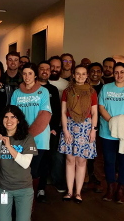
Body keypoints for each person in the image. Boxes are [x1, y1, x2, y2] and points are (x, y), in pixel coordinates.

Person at [98, 62, 124, 204]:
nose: (119, 75)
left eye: (122, 72)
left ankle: (121, 189)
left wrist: (119, 124)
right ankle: (111, 188)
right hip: (107, 131)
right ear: (113, 73)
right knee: (109, 161)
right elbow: (101, 107)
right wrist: (112, 122)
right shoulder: (105, 88)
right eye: (116, 72)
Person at [11, 63, 52, 208]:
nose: (27, 76)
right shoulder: (17, 93)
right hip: (20, 137)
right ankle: (20, 200)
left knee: (33, 170)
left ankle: (30, 201)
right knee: (21, 169)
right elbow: (12, 115)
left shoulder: (43, 92)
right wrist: (19, 135)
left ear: (35, 75)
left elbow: (44, 115)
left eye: (30, 73)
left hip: (39, 138)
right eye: (24, 73)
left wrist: (28, 135)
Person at [59, 65, 98, 204]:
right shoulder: (67, 91)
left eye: (83, 74)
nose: (80, 76)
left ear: (87, 76)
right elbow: (63, 112)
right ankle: (69, 191)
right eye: (78, 74)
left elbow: (94, 113)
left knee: (81, 162)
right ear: (73, 75)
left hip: (85, 127)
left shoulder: (92, 92)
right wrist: (65, 129)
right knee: (70, 160)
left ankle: (78, 192)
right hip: (69, 125)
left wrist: (93, 130)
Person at [0, 105, 37, 221]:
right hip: (4, 189)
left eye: (13, 117)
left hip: (23, 189)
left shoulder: (27, 138)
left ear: (18, 120)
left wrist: (8, 146)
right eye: (6, 117)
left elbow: (25, 163)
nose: (9, 120)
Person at [35, 61, 61, 203]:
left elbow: (56, 111)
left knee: (45, 161)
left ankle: (41, 189)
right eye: (42, 68)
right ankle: (30, 188)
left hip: (47, 132)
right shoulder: (31, 88)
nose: (44, 71)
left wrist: (54, 128)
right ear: (37, 71)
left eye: (47, 69)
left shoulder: (53, 89)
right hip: (31, 131)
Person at [48, 55, 68, 192]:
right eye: (52, 66)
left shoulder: (66, 84)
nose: (54, 69)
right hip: (42, 125)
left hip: (60, 125)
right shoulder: (40, 83)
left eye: (57, 67)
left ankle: (57, 180)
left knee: (58, 155)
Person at [87, 62, 105, 193]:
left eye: (98, 71)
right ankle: (85, 178)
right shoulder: (83, 88)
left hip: (101, 126)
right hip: (84, 126)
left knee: (98, 154)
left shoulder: (105, 88)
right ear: (88, 73)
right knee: (85, 154)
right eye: (92, 71)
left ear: (101, 74)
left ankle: (97, 178)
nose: (95, 73)